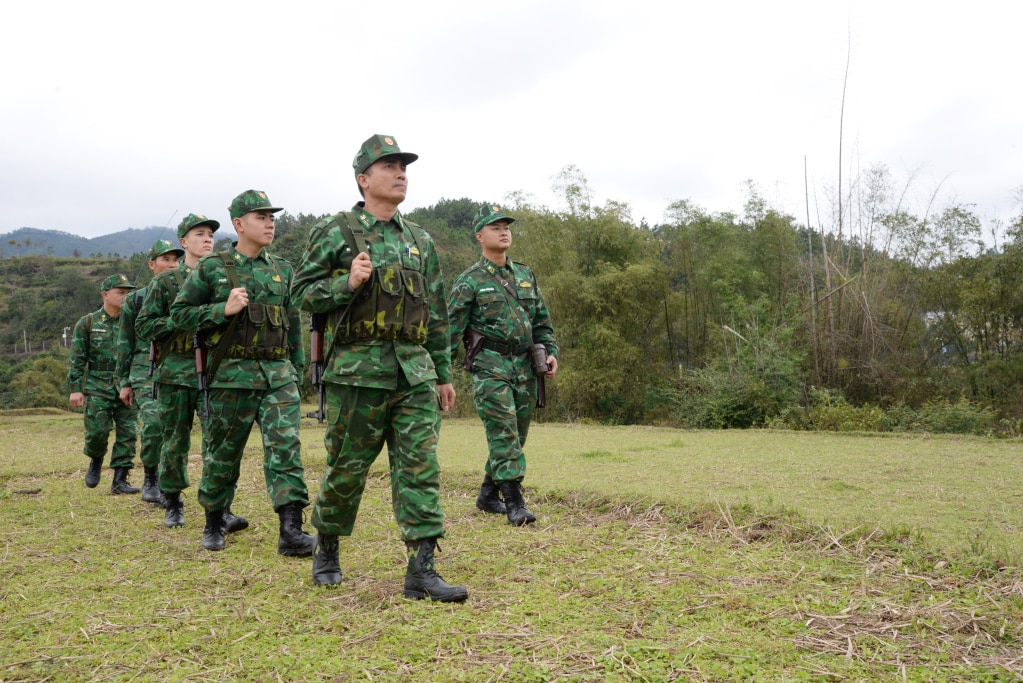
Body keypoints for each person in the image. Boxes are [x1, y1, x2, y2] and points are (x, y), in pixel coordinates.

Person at [292, 134, 467, 602]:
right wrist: (344, 282)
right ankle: (326, 546)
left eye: (403, 165)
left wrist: (444, 373)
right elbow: (299, 294)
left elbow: (438, 314)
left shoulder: (420, 241)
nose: (400, 172)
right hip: (356, 371)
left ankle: (422, 569)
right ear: (363, 179)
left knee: (420, 467)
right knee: (348, 467)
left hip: (414, 371)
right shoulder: (338, 231)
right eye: (389, 165)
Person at [168, 193, 314, 555]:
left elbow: (293, 323)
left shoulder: (283, 268)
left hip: (277, 376)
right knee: (223, 453)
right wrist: (222, 309)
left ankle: (291, 529)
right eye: (261, 217)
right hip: (231, 376)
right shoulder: (213, 267)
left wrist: (296, 371)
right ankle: (214, 520)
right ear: (238, 224)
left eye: (272, 217)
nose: (270, 223)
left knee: (285, 448)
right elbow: (179, 315)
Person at [447, 204, 559, 526]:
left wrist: (550, 352)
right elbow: (450, 332)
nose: (504, 231)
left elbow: (542, 322)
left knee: (516, 433)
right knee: (503, 431)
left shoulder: (525, 275)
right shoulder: (469, 280)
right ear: (480, 235)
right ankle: (514, 502)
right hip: (489, 366)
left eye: (506, 226)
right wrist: (441, 376)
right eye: (495, 227)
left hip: (525, 366)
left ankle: (487, 494)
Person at [136, 214, 246, 533]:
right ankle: (173, 501)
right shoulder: (166, 282)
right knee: (175, 440)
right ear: (184, 242)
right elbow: (144, 326)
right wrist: (178, 322)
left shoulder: (222, 277)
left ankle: (220, 507)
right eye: (199, 234)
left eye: (211, 234)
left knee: (219, 441)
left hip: (215, 370)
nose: (207, 238)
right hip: (175, 370)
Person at [115, 240, 183, 508]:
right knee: (154, 424)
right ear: (152, 264)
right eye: (165, 259)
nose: (171, 264)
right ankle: (151, 477)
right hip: (145, 369)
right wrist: (124, 382)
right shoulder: (136, 298)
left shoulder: (189, 292)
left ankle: (171, 485)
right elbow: (125, 342)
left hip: (179, 366)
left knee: (175, 430)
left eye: (175, 260)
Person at [67, 273, 140, 494]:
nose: (125, 297)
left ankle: (120, 479)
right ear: (105, 294)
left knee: (128, 433)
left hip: (128, 385)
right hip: (98, 385)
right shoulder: (88, 322)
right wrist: (75, 389)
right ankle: (96, 459)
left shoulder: (135, 321)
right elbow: (77, 358)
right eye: (120, 292)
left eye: (129, 293)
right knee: (97, 432)